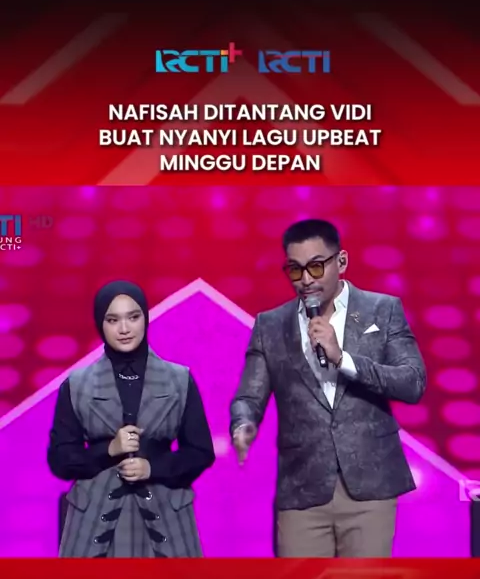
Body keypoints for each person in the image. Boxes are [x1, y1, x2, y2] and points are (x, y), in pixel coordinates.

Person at [230, 219, 426, 558]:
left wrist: (343, 359)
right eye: (295, 269)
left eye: (316, 266)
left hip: (370, 487)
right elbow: (249, 395)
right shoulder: (271, 325)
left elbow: (413, 382)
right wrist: (243, 423)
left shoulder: (382, 310)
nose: (306, 280)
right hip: (302, 490)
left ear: (342, 261)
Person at [48, 280, 215, 558]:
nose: (124, 329)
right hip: (93, 522)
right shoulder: (77, 385)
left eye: (133, 317)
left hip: (166, 517)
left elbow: (200, 452)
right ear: (100, 324)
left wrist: (153, 468)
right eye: (113, 320)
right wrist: (109, 450)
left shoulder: (178, 379)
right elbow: (60, 459)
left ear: (145, 318)